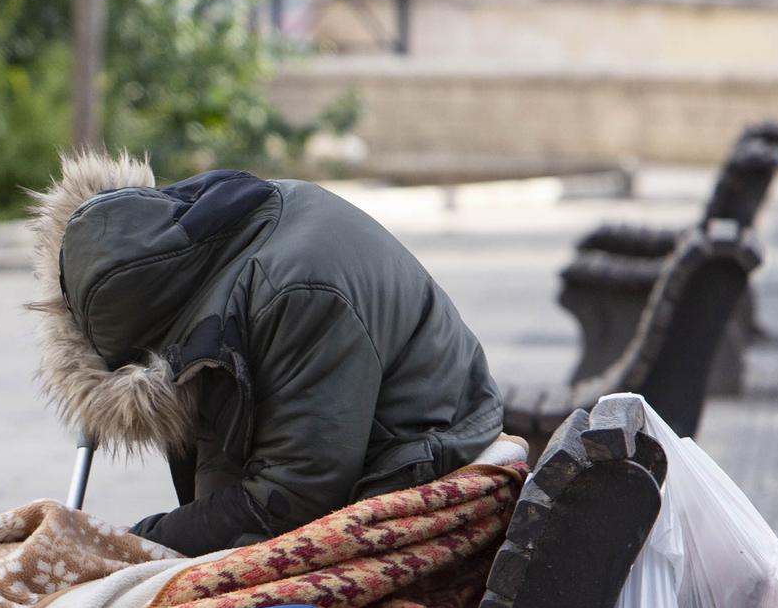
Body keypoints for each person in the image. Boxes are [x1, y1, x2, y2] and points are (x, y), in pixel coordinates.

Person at [28, 153, 503, 558]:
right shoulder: (221, 240)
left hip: (416, 451)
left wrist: (130, 546)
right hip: (356, 440)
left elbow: (296, 496)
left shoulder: (296, 294)